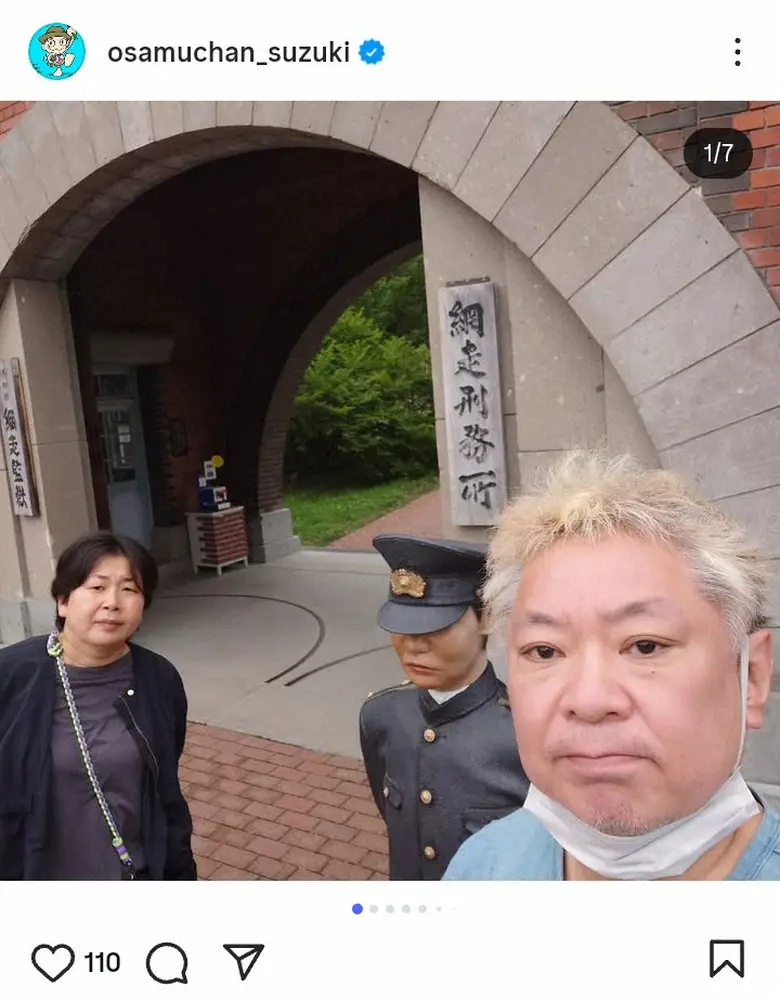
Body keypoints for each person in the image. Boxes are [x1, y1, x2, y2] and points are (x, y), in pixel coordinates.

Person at [443, 450, 778, 881]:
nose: (589, 700)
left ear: (750, 677)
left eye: (645, 645)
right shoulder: (482, 867)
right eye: (544, 651)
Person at [0, 531, 196, 880]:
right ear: (63, 600)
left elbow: (164, 789)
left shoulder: (159, 679)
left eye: (129, 589)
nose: (112, 602)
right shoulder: (11, 675)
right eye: (97, 587)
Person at [359, 534, 529, 880]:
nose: (413, 646)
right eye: (402, 626)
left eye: (436, 626)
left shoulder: (526, 734)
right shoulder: (382, 717)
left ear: (486, 617)